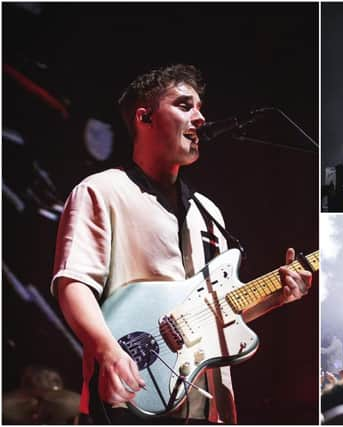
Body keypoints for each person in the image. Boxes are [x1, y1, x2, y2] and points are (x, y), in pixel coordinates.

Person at [50, 65, 312, 424]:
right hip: (133, 397)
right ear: (145, 117)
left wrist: (278, 295)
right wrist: (107, 351)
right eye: (184, 105)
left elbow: (217, 314)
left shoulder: (208, 213)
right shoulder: (102, 191)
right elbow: (73, 283)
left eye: (200, 107)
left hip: (209, 408)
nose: (200, 117)